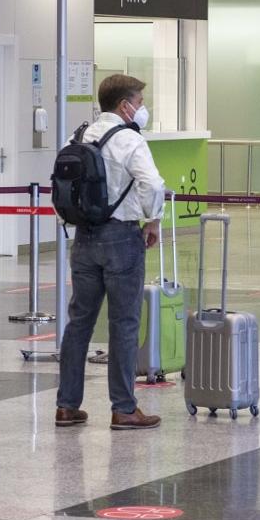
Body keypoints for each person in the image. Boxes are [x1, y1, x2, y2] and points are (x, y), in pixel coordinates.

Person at [55, 74, 166, 431]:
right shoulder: (129, 140)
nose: (142, 108)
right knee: (124, 323)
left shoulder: (79, 135)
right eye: (139, 101)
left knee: (79, 323)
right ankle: (123, 408)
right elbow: (153, 183)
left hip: (84, 239)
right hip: (121, 238)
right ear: (125, 105)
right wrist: (154, 220)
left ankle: (67, 405)